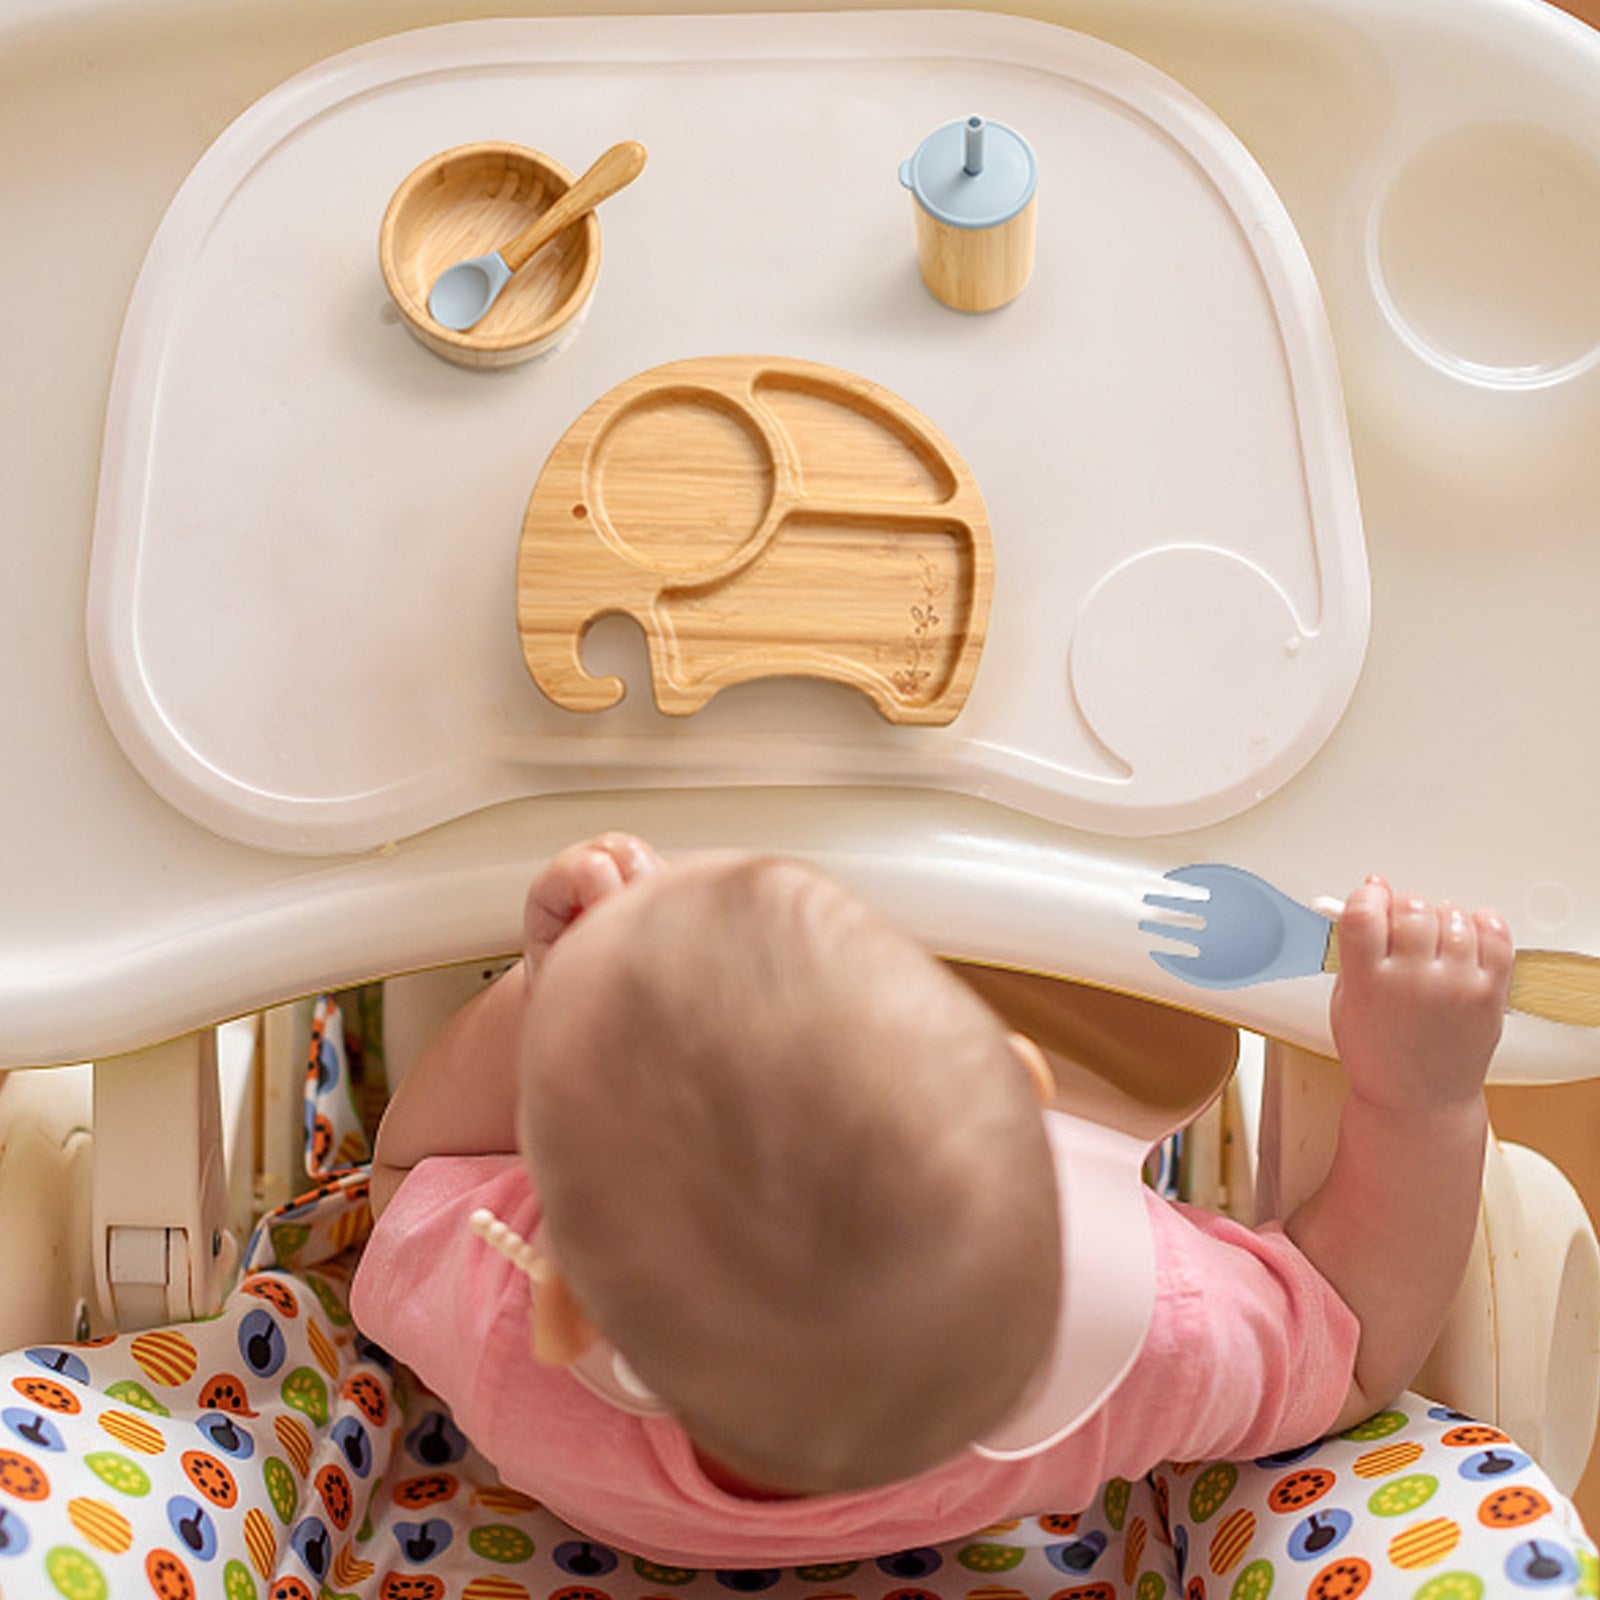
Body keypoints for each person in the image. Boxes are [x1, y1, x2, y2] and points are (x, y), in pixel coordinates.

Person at [350, 833, 1513, 1568]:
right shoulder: (1141, 1336)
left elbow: (407, 1173)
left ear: (563, 1303)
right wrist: (1421, 1094)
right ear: (1024, 1077)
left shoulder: (515, 1342)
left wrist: (557, 991)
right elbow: (1356, 1342)